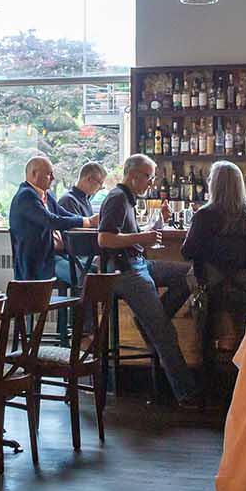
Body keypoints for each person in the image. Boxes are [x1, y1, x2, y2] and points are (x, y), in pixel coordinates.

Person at [97, 153, 200, 408]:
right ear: (133, 176)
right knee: (164, 333)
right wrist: (140, 239)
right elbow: (105, 239)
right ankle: (186, 394)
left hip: (138, 264)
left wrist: (153, 227)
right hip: (124, 272)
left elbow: (129, 236)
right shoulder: (118, 198)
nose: (151, 183)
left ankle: (151, 321)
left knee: (189, 273)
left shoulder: (127, 199)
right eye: (149, 178)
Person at [183, 161, 246, 378]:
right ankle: (245, 371)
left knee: (191, 280)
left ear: (214, 185)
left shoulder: (204, 215)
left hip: (212, 290)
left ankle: (204, 358)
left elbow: (187, 252)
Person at [8, 155, 94, 281]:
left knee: (94, 271)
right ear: (34, 174)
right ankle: (84, 301)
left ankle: (88, 300)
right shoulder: (26, 196)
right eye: (49, 174)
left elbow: (64, 214)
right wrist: (87, 221)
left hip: (57, 254)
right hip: (40, 260)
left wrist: (89, 221)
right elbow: (51, 221)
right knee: (85, 278)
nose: (53, 178)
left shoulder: (46, 194)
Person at [55, 161, 108, 290]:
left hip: (83, 254)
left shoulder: (85, 200)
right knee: (98, 275)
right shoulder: (68, 200)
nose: (100, 188)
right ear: (89, 179)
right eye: (100, 184)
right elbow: (72, 234)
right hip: (72, 256)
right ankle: (84, 309)